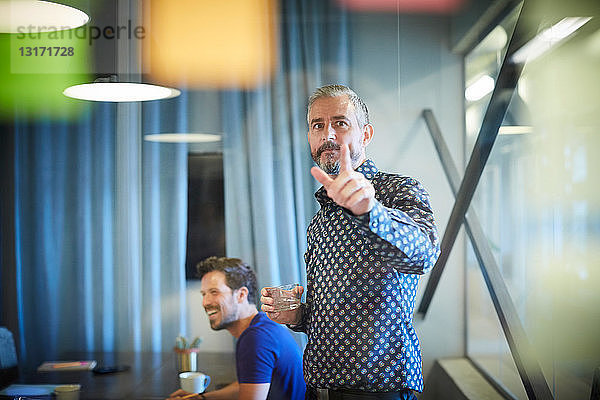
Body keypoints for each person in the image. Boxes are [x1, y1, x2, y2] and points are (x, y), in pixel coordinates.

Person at [261, 84, 440, 400]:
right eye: (318, 125)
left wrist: (370, 211)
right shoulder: (320, 218)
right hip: (319, 387)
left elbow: (423, 256)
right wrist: (297, 316)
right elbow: (331, 316)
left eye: (340, 123)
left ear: (366, 134)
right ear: (310, 137)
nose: (327, 134)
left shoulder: (397, 191)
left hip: (382, 389)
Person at [168, 256, 306, 400]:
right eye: (204, 294)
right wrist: (200, 398)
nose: (205, 302)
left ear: (241, 295)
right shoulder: (263, 325)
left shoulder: (255, 338)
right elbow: (248, 383)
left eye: (214, 292)